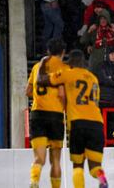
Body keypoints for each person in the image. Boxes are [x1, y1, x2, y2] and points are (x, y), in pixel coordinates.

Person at [36, 50, 108, 188]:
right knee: (95, 166)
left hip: (78, 122)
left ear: (71, 62)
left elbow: (41, 80)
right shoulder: (93, 78)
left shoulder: (68, 74)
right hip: (97, 123)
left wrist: (42, 64)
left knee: (78, 165)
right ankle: (102, 178)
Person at [26, 38, 69, 188]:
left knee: (39, 158)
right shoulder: (63, 69)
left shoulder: (37, 67)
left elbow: (28, 91)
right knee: (55, 160)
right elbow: (63, 95)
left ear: (48, 51)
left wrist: (41, 96)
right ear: (63, 53)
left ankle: (34, 180)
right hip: (55, 116)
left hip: (37, 115)